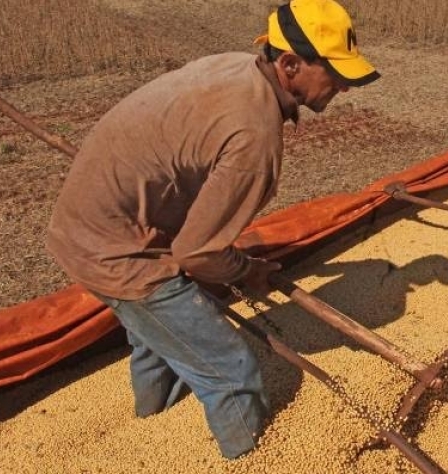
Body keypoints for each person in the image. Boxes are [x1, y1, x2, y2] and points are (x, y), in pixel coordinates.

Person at [44, 0, 379, 460]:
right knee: (231, 370)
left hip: (87, 226)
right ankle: (249, 459)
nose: (343, 84)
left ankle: (151, 428)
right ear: (290, 63)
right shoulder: (254, 136)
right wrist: (246, 272)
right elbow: (198, 254)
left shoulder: (236, 68)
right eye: (335, 72)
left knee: (157, 339)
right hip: (120, 252)